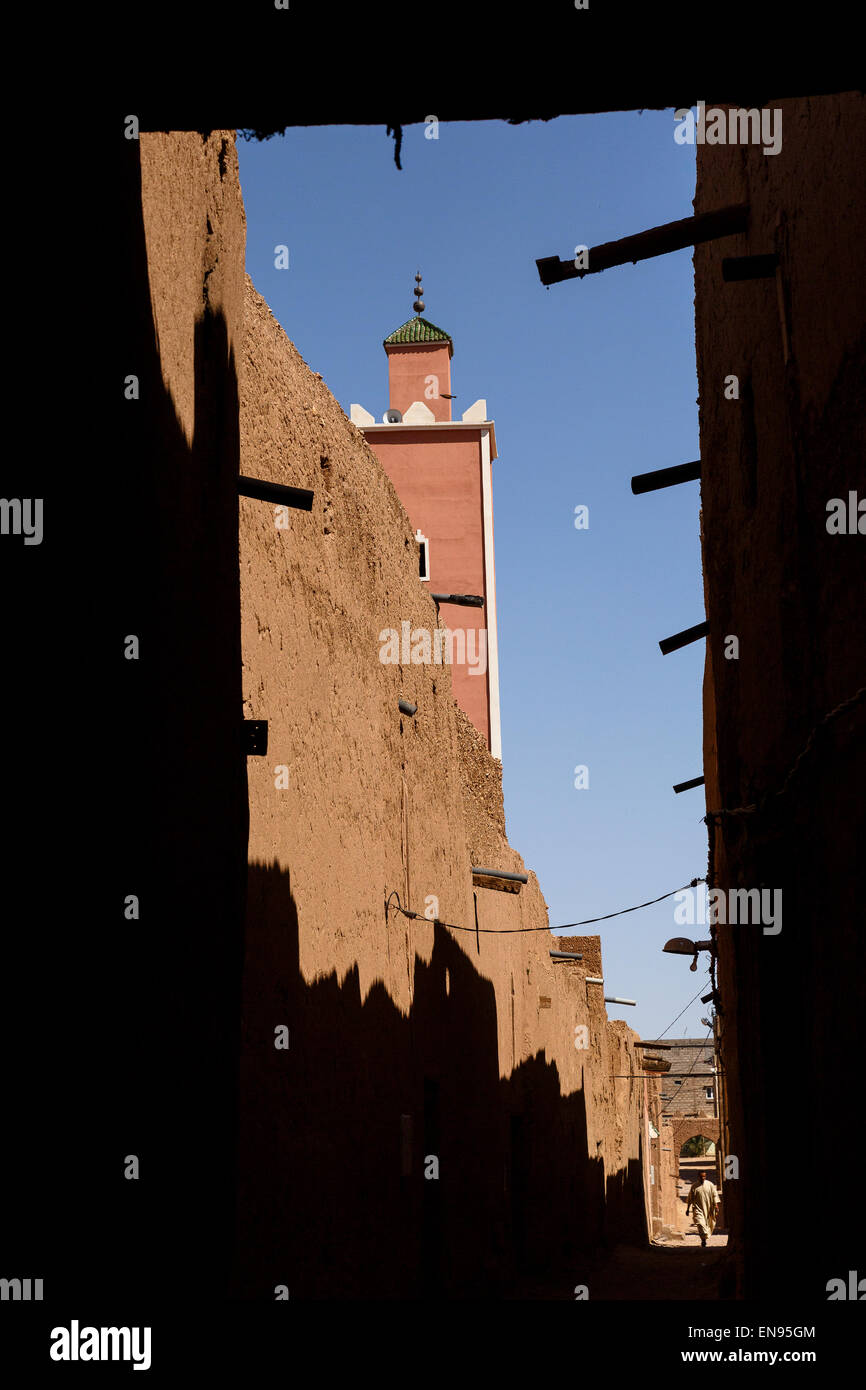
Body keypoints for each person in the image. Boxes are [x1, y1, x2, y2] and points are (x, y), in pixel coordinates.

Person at [686, 1170, 720, 1248]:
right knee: (700, 1223)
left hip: (708, 1208)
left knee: (707, 1224)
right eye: (701, 1176)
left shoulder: (710, 1185)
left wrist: (716, 1206)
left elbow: (714, 1195)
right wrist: (687, 1209)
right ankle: (703, 1239)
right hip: (698, 1209)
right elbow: (690, 1198)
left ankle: (704, 1238)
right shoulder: (694, 1186)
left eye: (704, 1176)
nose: (703, 1178)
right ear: (698, 1177)